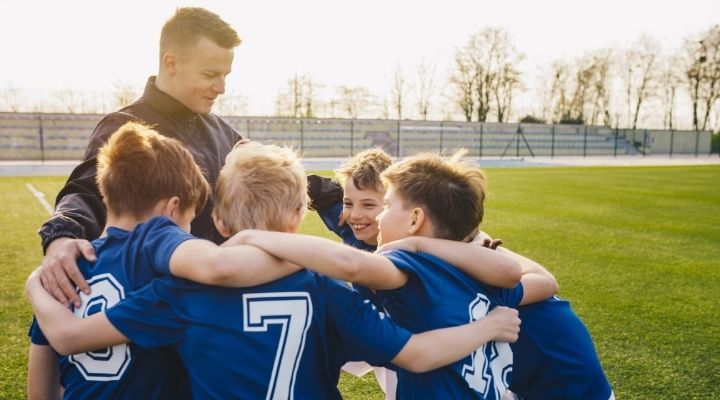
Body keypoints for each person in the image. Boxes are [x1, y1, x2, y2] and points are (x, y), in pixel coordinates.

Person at [26, 141, 522, 399]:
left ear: (217, 220)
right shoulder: (327, 288)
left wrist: (37, 283)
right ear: (296, 217)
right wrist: (486, 328)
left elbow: (71, 338)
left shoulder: (179, 292)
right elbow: (414, 354)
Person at [236, 150, 613, 399]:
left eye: (385, 206)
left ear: (415, 219)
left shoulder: (413, 267)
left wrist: (253, 236)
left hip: (563, 385)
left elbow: (351, 264)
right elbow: (521, 274)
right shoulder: (479, 269)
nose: (376, 215)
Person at [28, 123, 301, 399]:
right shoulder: (174, 276)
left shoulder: (61, 272)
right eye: (190, 220)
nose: (190, 231)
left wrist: (33, 285)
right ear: (171, 209)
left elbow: (41, 386)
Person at [37, 7, 243, 309]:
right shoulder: (124, 126)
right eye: (210, 74)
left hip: (216, 311)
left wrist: (334, 198)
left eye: (225, 75)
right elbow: (85, 191)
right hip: (153, 309)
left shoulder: (225, 134)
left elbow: (269, 178)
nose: (221, 88)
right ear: (171, 63)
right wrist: (62, 236)